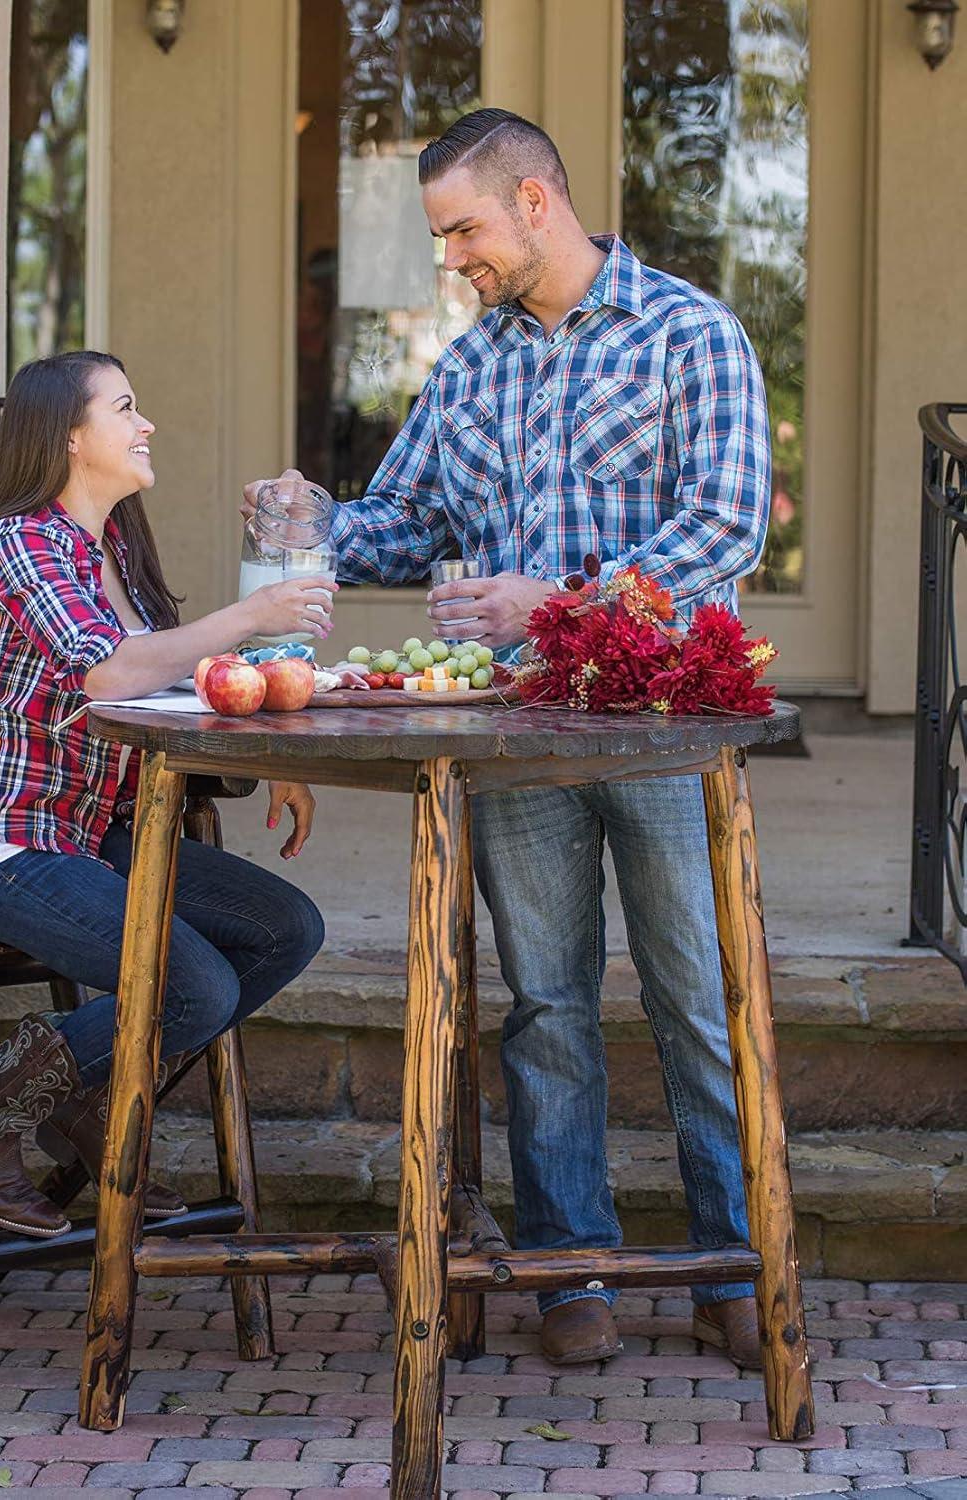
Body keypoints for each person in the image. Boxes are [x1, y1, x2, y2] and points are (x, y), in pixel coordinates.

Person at [246, 108, 771, 1367]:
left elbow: (726, 527)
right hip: (514, 732)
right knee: (545, 1006)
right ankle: (566, 1268)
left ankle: (734, 1268)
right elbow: (402, 521)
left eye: (465, 229)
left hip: (657, 727)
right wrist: (311, 518)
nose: (453, 258)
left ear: (537, 202)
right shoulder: (471, 365)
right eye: (441, 237)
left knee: (697, 997)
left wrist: (562, 602)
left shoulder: (691, 333)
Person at [0, 350, 331, 1238]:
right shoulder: (23, 542)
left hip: (84, 835)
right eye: (125, 407)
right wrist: (248, 617)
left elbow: (168, 680)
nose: (147, 425)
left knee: (286, 927)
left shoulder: (113, 552)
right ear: (70, 436)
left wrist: (275, 746)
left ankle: (86, 1098)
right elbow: (107, 673)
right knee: (196, 987)